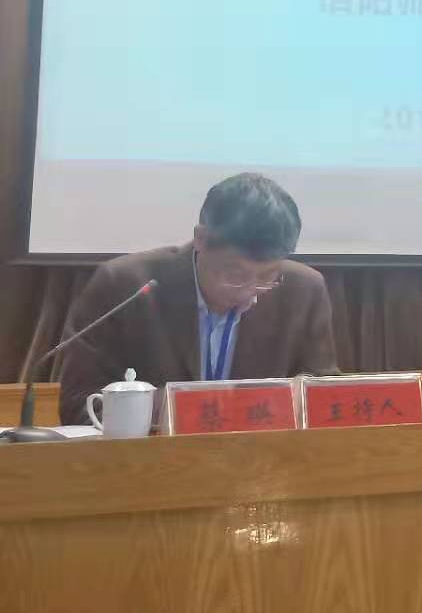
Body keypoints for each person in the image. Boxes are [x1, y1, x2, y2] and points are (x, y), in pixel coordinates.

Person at [58, 173, 339, 425]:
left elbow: (325, 401)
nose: (248, 291)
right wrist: (173, 408)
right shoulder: (124, 285)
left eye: (267, 277)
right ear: (201, 239)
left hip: (261, 460)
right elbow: (79, 404)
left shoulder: (303, 291)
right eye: (235, 274)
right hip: (152, 459)